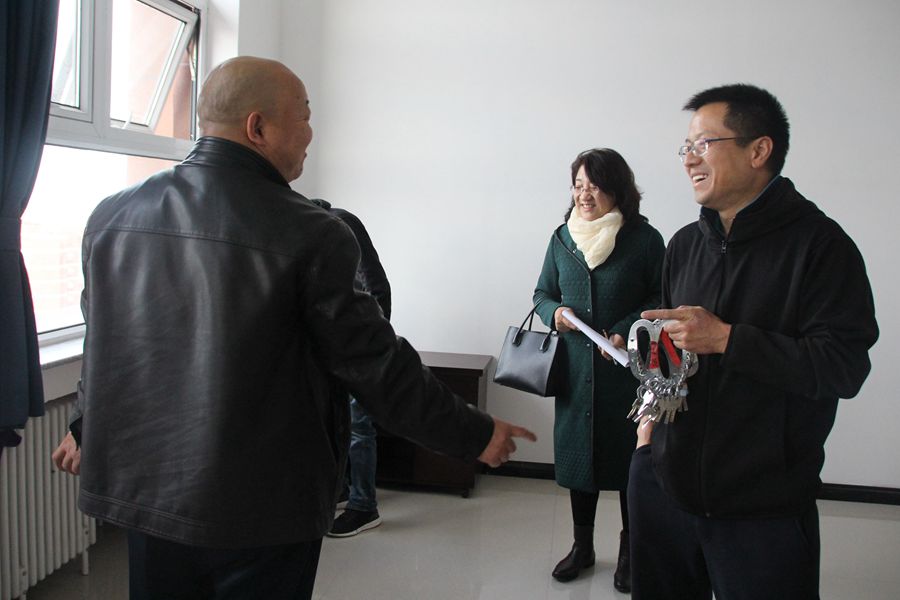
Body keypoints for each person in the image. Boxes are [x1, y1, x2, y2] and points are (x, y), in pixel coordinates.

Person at [51, 56, 535, 600]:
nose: (310, 133)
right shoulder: (312, 233)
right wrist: (473, 432)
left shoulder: (111, 217)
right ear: (257, 127)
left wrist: (85, 423)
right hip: (261, 503)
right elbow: (377, 367)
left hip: (147, 494)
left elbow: (102, 344)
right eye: (303, 116)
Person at [628, 84, 879, 600]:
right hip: (665, 488)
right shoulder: (684, 245)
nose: (689, 159)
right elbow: (671, 355)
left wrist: (727, 339)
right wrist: (647, 438)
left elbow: (843, 366)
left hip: (763, 511)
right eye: (686, 147)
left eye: (704, 144)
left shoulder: (821, 247)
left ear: (759, 150)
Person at [533, 148, 665, 591]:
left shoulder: (644, 240)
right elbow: (542, 294)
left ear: (617, 190)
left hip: (628, 373)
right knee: (580, 461)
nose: (584, 195)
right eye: (578, 185)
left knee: (630, 464)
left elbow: (660, 295)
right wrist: (556, 314)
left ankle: (631, 552)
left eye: (594, 186)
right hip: (575, 373)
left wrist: (624, 331)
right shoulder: (562, 239)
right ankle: (582, 547)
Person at [312, 199, 391, 537]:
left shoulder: (341, 223)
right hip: (333, 346)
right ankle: (344, 491)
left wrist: (367, 343)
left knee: (360, 426)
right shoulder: (316, 230)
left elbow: (377, 287)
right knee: (339, 423)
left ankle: (364, 506)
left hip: (358, 347)